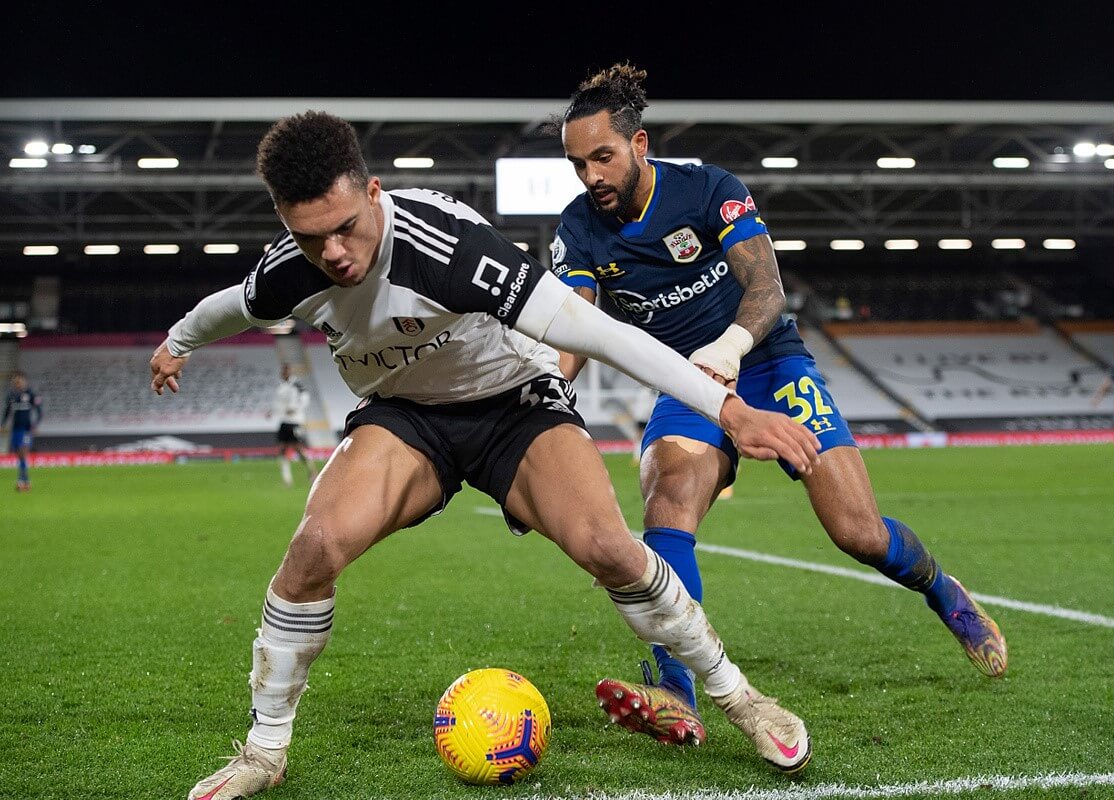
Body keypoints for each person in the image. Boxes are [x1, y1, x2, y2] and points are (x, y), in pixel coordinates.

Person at [151, 111, 824, 799]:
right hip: (405, 417)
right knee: (314, 547)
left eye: (347, 227)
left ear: (374, 192)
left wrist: (728, 409)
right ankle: (264, 753)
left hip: (513, 404)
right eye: (311, 238)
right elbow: (233, 305)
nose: (335, 254)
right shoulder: (294, 266)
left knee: (610, 548)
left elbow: (601, 334)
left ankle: (740, 698)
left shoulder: (450, 249)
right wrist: (178, 341)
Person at [550, 63, 1008, 747]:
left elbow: (766, 286)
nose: (591, 176)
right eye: (578, 163)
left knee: (858, 532)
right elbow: (575, 329)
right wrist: (546, 398)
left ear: (640, 145)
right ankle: (677, 693)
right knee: (667, 500)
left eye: (603, 157)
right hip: (686, 385)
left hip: (765, 360)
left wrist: (730, 347)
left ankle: (941, 588)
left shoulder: (709, 188)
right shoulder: (579, 228)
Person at [270, 363, 317, 485]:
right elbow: (278, 403)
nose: (284, 373)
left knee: (298, 449)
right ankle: (287, 478)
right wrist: (272, 411)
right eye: (283, 370)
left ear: (289, 372)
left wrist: (295, 408)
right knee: (282, 449)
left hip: (295, 421)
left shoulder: (296, 385)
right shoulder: (281, 386)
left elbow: (305, 398)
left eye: (286, 370)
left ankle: (312, 472)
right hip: (284, 421)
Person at [3, 371, 42, 492]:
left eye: (19, 381)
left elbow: (39, 412)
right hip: (16, 429)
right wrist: (3, 424)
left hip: (26, 429)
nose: (17, 383)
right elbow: (7, 411)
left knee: (23, 453)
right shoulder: (11, 396)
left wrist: (35, 425)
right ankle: (25, 481)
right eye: (15, 381)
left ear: (24, 381)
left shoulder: (31, 394)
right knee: (20, 456)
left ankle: (22, 481)